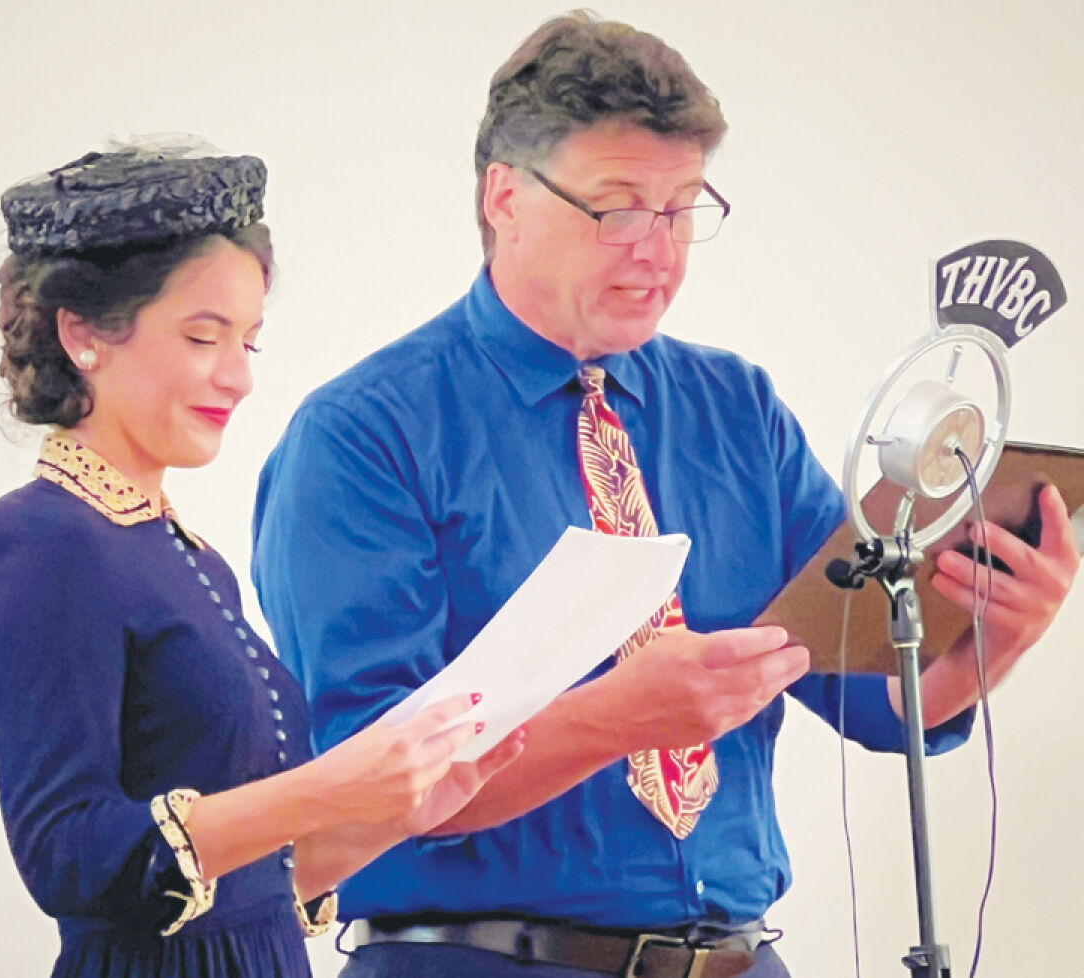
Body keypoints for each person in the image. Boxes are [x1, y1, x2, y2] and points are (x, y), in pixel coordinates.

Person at [250, 13, 1080, 978]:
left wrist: (996, 633)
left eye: (684, 206)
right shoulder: (362, 436)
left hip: (736, 957)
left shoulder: (737, 409)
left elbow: (878, 697)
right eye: (618, 207)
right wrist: (618, 718)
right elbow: (364, 785)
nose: (658, 248)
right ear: (504, 197)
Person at [0, 144, 524, 978]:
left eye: (249, 343)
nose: (238, 377)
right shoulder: (43, 539)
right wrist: (331, 785)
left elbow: (250, 886)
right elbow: (69, 855)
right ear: (83, 334)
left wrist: (395, 813)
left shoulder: (192, 559)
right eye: (203, 337)